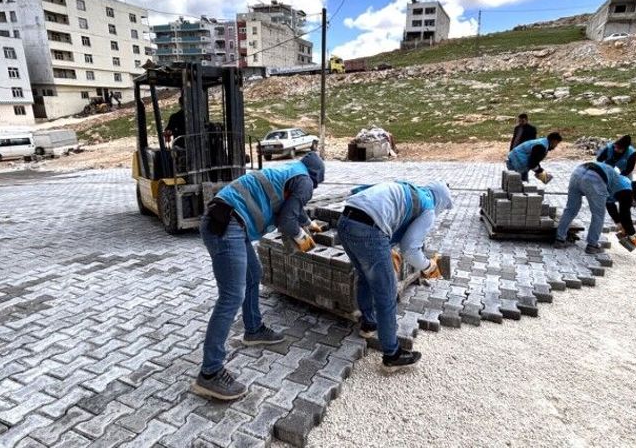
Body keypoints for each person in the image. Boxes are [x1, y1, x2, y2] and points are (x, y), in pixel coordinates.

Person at [192, 152, 326, 401]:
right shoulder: (305, 180)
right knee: (231, 297)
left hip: (229, 221)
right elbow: (287, 220)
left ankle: (253, 330)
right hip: (225, 225)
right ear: (316, 178)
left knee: (254, 274)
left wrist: (308, 221)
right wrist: (301, 237)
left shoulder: (293, 173)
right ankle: (209, 373)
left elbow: (290, 205)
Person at [336, 180, 453, 371]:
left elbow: (362, 194)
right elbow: (410, 249)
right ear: (441, 201)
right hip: (369, 231)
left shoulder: (408, 189)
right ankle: (392, 355)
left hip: (345, 221)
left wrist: (386, 247)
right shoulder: (429, 209)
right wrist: (428, 266)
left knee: (365, 276)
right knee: (387, 295)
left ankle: (369, 324)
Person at [554, 161, 636, 254]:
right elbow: (625, 214)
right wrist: (633, 235)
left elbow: (610, 204)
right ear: (635, 194)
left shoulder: (621, 183)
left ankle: (559, 239)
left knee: (571, 209)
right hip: (594, 177)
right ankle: (592, 245)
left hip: (578, 172)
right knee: (598, 215)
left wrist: (618, 222)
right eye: (634, 202)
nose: (631, 203)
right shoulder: (627, 191)